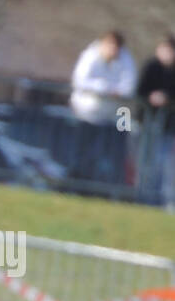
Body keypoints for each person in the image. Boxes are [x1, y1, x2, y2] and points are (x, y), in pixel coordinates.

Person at [70, 30, 137, 190]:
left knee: (116, 153)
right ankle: (79, 186)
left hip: (119, 114)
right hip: (87, 114)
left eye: (116, 47)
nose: (112, 50)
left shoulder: (126, 60)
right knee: (84, 153)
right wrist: (106, 89)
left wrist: (116, 92)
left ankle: (112, 188)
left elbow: (128, 87)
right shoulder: (90, 56)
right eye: (110, 45)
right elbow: (80, 80)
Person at [137, 34, 175, 211]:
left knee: (166, 165)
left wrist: (167, 99)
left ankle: (164, 201)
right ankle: (143, 197)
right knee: (146, 162)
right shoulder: (151, 67)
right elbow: (139, 91)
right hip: (147, 123)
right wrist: (151, 98)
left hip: (168, 127)